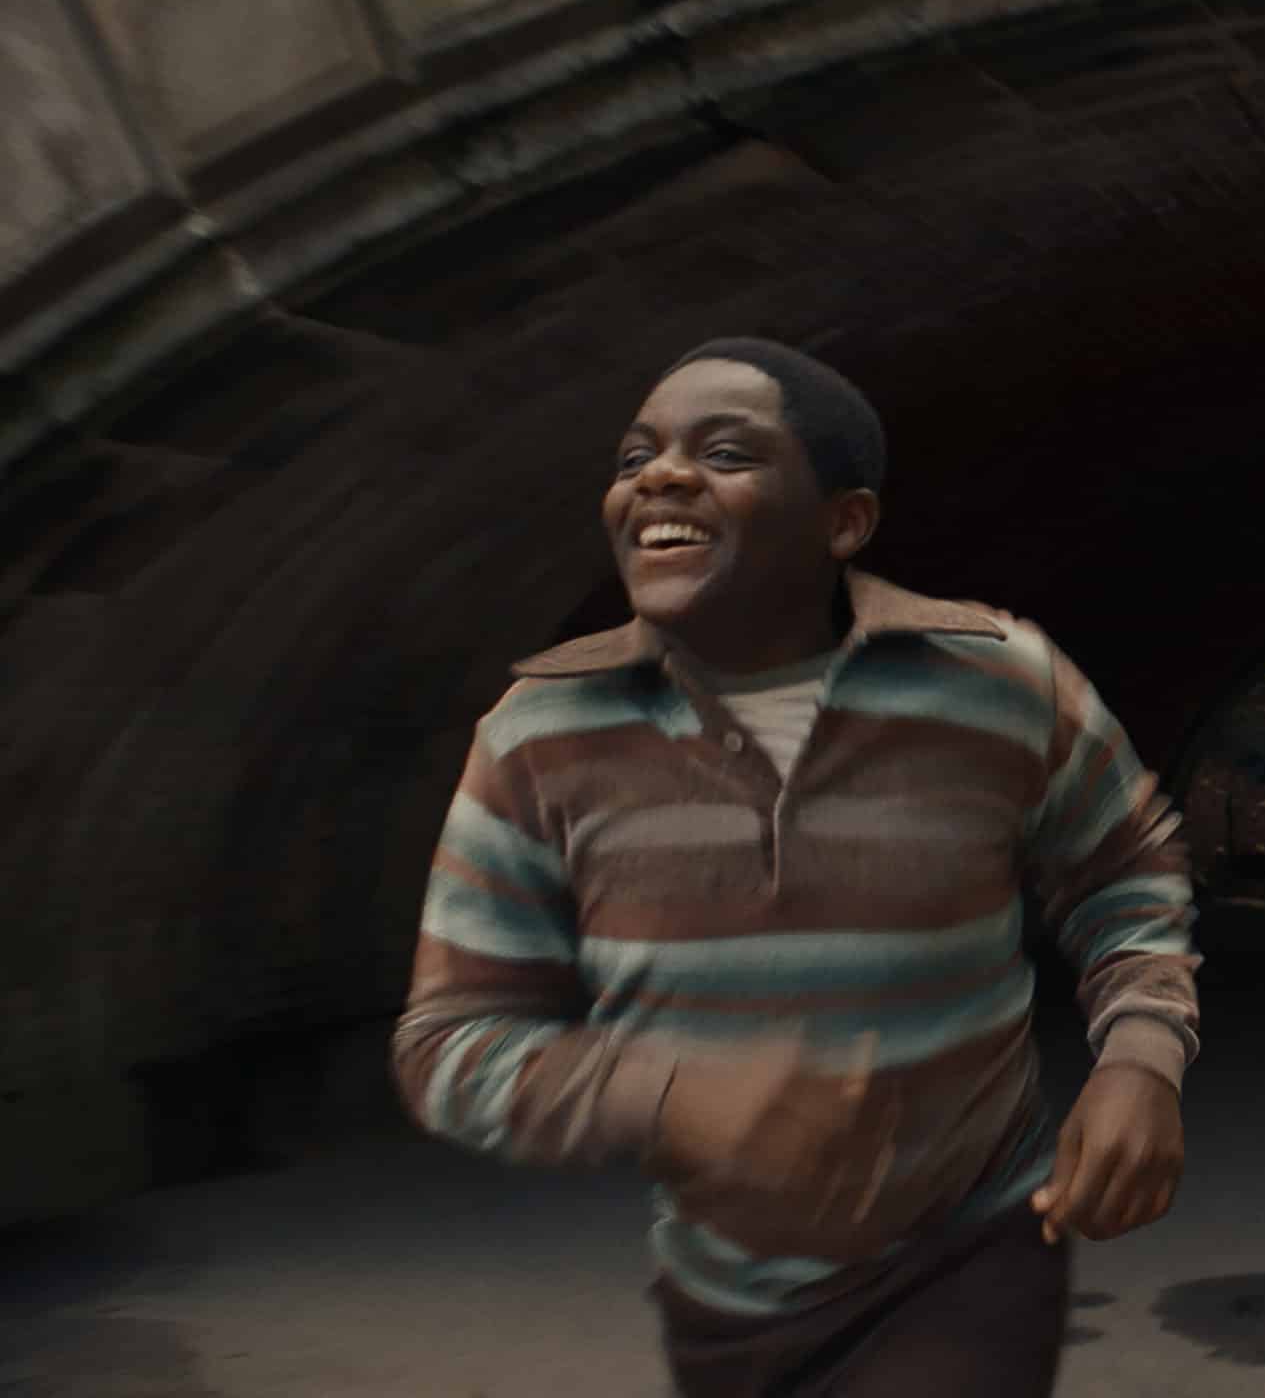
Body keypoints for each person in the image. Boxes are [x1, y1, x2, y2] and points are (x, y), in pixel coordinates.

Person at [390, 337, 1201, 1397]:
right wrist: (667, 1093)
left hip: (970, 1250)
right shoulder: (538, 732)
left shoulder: (999, 679)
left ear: (844, 521)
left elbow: (1123, 874)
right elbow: (450, 1041)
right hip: (723, 1296)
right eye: (637, 455)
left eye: (724, 452)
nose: (660, 476)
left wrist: (1141, 1055)